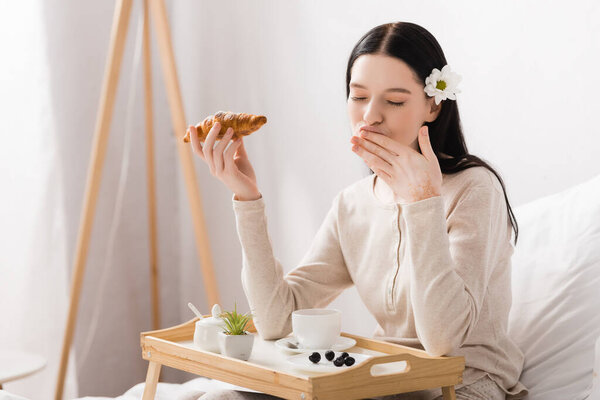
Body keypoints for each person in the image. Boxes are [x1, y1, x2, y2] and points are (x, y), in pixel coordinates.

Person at [188, 21, 528, 400]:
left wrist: (422, 202)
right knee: (220, 397)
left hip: (465, 382)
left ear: (433, 105)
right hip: (384, 380)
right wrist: (247, 199)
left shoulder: (475, 188)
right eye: (358, 96)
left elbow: (442, 342)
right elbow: (277, 320)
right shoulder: (353, 203)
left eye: (394, 101)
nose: (370, 116)